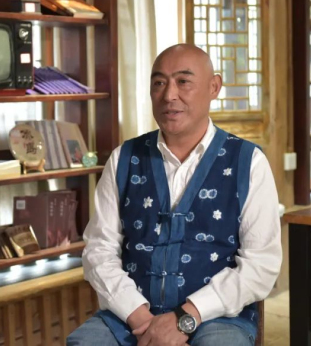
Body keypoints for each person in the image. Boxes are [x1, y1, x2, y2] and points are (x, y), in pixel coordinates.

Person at [67, 44, 282, 346]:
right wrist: (141, 318)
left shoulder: (248, 162)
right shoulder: (123, 159)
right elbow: (99, 250)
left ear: (214, 87)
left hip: (216, 316)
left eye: (183, 81)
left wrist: (186, 317)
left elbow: (261, 265)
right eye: (159, 83)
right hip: (131, 315)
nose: (169, 95)